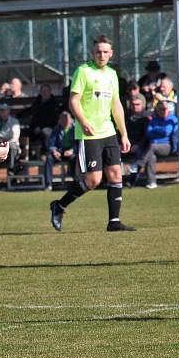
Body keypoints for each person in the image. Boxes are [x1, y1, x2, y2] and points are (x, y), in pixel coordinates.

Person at [50, 35, 135, 232]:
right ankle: (59, 206)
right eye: (98, 52)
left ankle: (114, 222)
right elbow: (73, 101)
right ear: (92, 53)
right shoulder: (83, 72)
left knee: (115, 174)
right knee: (93, 180)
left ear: (111, 54)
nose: (102, 55)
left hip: (108, 132)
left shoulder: (112, 74)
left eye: (106, 52)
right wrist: (84, 122)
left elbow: (116, 105)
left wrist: (123, 134)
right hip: (89, 135)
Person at [135, 101, 178, 188]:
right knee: (151, 156)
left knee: (152, 147)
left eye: (164, 109)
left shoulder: (172, 119)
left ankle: (139, 164)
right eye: (160, 109)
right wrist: (159, 130)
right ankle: (151, 182)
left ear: (168, 109)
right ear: (157, 110)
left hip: (167, 146)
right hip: (153, 147)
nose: (163, 111)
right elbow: (148, 133)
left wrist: (156, 130)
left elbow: (166, 132)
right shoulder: (154, 120)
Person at [43, 111, 76, 189]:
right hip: (59, 151)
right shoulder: (56, 129)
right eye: (63, 121)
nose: (65, 123)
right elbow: (51, 143)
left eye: (67, 121)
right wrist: (54, 151)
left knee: (74, 158)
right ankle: (49, 184)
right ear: (60, 121)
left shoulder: (75, 128)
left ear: (70, 120)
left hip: (70, 151)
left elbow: (78, 144)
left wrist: (72, 150)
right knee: (49, 158)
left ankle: (76, 182)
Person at [28, 84, 61, 158]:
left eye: (46, 91)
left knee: (45, 131)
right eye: (43, 91)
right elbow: (31, 112)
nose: (45, 93)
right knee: (26, 132)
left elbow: (53, 120)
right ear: (40, 92)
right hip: (36, 128)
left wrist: (41, 127)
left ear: (50, 92)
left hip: (50, 128)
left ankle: (46, 153)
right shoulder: (37, 102)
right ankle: (30, 155)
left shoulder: (54, 104)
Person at [0, 102, 21, 173]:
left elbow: (14, 137)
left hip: (11, 146)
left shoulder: (14, 121)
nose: (2, 112)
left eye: (4, 110)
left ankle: (11, 172)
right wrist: (3, 138)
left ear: (8, 110)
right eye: (0, 110)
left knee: (12, 146)